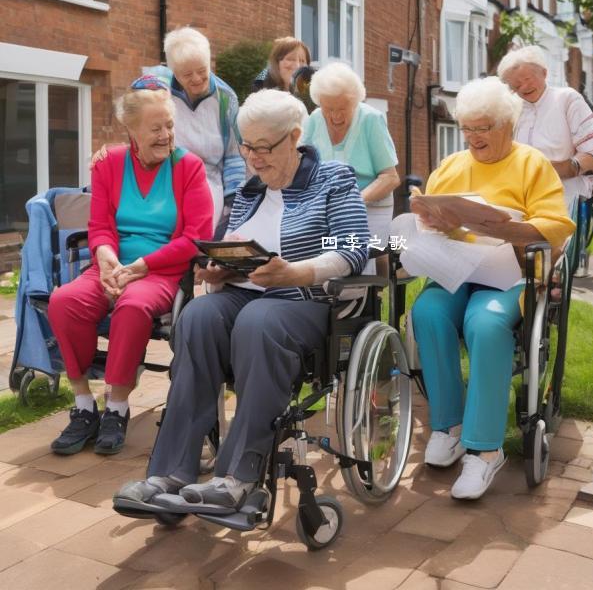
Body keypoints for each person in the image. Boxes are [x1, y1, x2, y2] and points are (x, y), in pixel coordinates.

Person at [114, 89, 369, 511]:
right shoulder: (251, 190)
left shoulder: (333, 179)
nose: (253, 157)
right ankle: (169, 472)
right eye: (247, 146)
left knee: (259, 319)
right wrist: (222, 270)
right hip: (245, 296)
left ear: (294, 137)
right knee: (197, 315)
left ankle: (238, 476)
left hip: (302, 302)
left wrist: (297, 271)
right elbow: (233, 245)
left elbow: (353, 249)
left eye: (264, 147)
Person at [409, 76, 574, 500]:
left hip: (509, 270)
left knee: (485, 323)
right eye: (468, 128)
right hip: (456, 267)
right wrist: (435, 219)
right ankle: (450, 425)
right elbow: (430, 213)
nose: (473, 137)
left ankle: (484, 451)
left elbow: (556, 227)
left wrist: (509, 227)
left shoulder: (532, 164)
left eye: (483, 128)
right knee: (426, 313)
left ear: (508, 125)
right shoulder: (451, 165)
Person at [48, 77, 213, 455]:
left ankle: (117, 407)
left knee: (133, 307)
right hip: (110, 265)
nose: (165, 135)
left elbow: (195, 237)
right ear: (131, 131)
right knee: (63, 301)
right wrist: (105, 256)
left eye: (169, 126)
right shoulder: (109, 164)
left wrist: (142, 264)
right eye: (155, 128)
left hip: (161, 270)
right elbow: (101, 225)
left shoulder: (189, 167)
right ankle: (84, 405)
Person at [149, 27, 245, 228]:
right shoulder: (157, 89)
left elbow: (234, 154)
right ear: (174, 72)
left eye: (202, 70)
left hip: (208, 180)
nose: (196, 79)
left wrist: (232, 202)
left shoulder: (226, 98)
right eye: (186, 74)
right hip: (165, 177)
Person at [302, 61, 400, 258]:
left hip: (371, 207)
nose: (335, 116)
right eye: (328, 109)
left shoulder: (371, 119)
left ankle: (376, 286)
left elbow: (390, 177)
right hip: (326, 209)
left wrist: (352, 203)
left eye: (343, 108)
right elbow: (302, 168)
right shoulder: (314, 120)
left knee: (360, 259)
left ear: (355, 101)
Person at [498, 45, 593, 210]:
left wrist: (567, 168)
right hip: (520, 190)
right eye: (516, 85)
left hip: (564, 189)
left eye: (527, 79)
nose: (524, 88)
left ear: (544, 72)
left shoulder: (567, 99)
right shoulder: (512, 108)